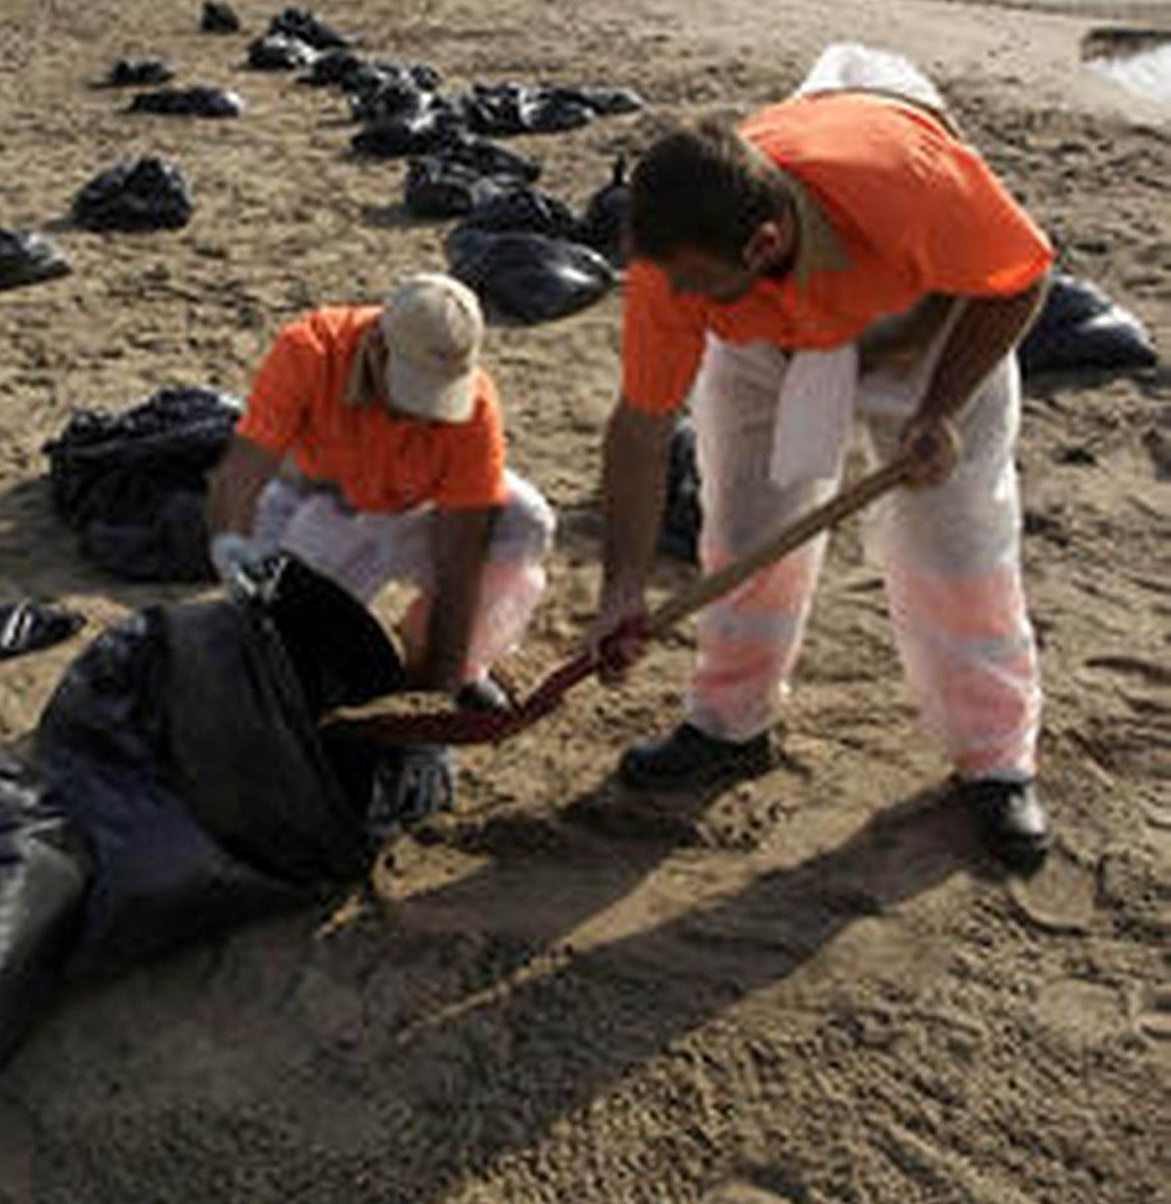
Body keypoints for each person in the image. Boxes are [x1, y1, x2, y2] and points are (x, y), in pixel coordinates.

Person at [590, 45, 1054, 869]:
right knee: (745, 522)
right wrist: (621, 585)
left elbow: (1020, 276)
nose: (678, 304)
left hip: (929, 323)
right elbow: (641, 426)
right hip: (771, 335)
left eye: (698, 284)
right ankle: (731, 722)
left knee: (958, 540)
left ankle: (995, 760)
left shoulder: (911, 182)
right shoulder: (676, 266)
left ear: (764, 241)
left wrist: (939, 409)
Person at [205, 273, 554, 700]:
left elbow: (458, 559)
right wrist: (231, 545)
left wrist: (432, 694)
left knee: (526, 520)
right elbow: (243, 472)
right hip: (316, 506)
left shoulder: (476, 407)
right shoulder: (311, 350)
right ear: (375, 349)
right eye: (414, 393)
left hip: (412, 507)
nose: (423, 416)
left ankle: (457, 666)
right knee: (286, 648)